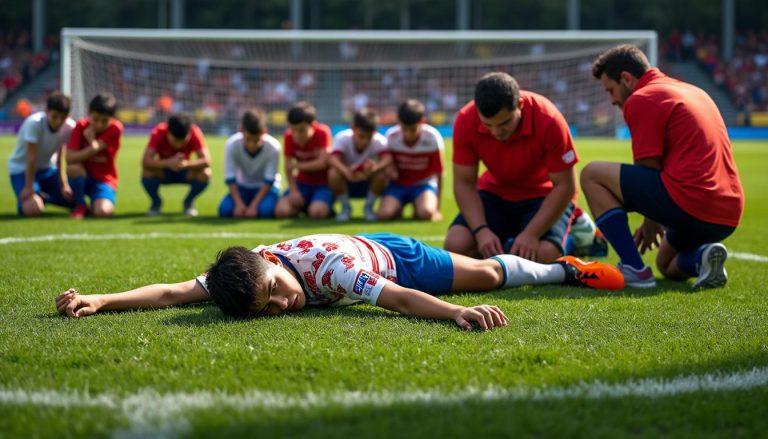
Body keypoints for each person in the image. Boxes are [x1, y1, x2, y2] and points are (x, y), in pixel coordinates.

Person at [55, 233, 625, 330]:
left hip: (390, 257)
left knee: (481, 276)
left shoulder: (332, 273)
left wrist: (453, 314)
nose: (285, 302)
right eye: (270, 308)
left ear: (274, 265)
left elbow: (398, 299)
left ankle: (563, 267)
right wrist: (100, 300)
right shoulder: (243, 274)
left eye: (277, 289)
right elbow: (175, 292)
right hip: (362, 252)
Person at [582, 44, 744, 290]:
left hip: (691, 204)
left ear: (626, 78)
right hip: (728, 215)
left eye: (611, 90)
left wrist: (651, 222)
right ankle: (702, 258)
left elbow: (648, 169)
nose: (613, 100)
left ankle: (633, 268)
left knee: (592, 174)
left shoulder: (642, 98)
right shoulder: (694, 91)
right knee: (666, 263)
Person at [445, 72, 578, 263]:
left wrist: (531, 234)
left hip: (542, 196)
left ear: (520, 105)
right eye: (487, 124)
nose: (496, 132)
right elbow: (464, 183)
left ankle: (579, 238)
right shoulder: (466, 119)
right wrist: (481, 231)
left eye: (504, 122)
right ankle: (511, 243)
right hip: (495, 194)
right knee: (456, 245)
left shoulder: (549, 119)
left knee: (544, 255)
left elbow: (565, 186)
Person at [8, 91, 75, 216]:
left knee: (73, 200)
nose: (59, 121)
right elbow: (31, 157)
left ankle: (43, 197)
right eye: (55, 116)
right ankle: (29, 199)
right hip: (21, 170)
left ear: (68, 115)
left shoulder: (69, 127)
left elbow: (61, 158)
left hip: (47, 170)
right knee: (34, 210)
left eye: (63, 117)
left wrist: (64, 185)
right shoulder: (34, 123)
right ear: (46, 111)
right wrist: (28, 187)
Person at [379, 99, 444, 221]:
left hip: (423, 185)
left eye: (413, 129)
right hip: (397, 185)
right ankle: (398, 206)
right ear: (398, 120)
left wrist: (437, 209)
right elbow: (387, 163)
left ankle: (419, 205)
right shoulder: (391, 136)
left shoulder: (432, 137)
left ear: (422, 121)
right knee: (384, 214)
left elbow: (439, 173)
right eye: (404, 129)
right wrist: (390, 170)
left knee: (426, 213)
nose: (408, 134)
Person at [141, 113, 212, 216]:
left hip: (185, 171)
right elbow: (145, 161)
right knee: (147, 172)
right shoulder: (159, 132)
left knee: (206, 173)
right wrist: (169, 163)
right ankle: (156, 203)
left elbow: (207, 161)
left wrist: (186, 164)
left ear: (189, 133)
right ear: (168, 131)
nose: (178, 145)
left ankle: (188, 202)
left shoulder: (195, 132)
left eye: (183, 141)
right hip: (164, 171)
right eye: (175, 141)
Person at [66, 92, 124, 219]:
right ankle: (80, 205)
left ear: (112, 118)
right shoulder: (80, 126)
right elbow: (69, 159)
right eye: (96, 119)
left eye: (104, 121)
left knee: (103, 212)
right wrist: (93, 147)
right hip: (83, 176)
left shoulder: (115, 129)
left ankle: (94, 204)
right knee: (73, 168)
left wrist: (92, 144)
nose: (99, 124)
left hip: (104, 179)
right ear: (89, 114)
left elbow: (96, 148)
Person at [328, 108, 392, 221]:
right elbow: (333, 159)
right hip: (346, 182)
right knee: (333, 174)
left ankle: (368, 208)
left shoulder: (379, 140)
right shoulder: (342, 138)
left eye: (368, 137)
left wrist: (375, 168)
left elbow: (387, 159)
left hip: (367, 182)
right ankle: (345, 208)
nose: (365, 141)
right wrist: (346, 171)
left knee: (382, 175)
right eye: (361, 136)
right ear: (353, 128)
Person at [218, 109, 281, 218]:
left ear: (264, 132)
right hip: (243, 187)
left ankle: (259, 203)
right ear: (241, 131)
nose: (252, 145)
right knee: (225, 210)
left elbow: (269, 180)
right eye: (248, 140)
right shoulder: (232, 144)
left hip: (267, 188)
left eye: (256, 140)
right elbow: (230, 178)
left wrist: (253, 206)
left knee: (266, 211)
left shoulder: (273, 147)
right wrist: (239, 204)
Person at [274, 101, 333, 219]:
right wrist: (294, 191)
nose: (297, 135)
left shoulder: (323, 132)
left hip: (322, 184)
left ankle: (315, 205)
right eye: (293, 129)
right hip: (301, 183)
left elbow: (322, 163)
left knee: (317, 213)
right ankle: (304, 204)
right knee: (281, 211)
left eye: (301, 130)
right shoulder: (288, 136)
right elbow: (287, 168)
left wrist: (297, 166)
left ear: (312, 124)